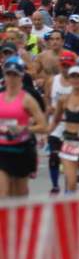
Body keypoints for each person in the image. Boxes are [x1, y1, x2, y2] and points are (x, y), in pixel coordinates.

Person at [0, 58, 48, 196]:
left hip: (21, 150)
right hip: (2, 150)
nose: (11, 78)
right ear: (4, 75)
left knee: (19, 195)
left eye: (15, 74)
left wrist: (25, 129)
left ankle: (20, 216)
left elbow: (43, 125)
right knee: (3, 193)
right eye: (9, 74)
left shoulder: (27, 99)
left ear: (21, 76)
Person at [49, 64, 79, 193]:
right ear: (69, 79)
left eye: (78, 76)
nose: (75, 79)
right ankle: (70, 210)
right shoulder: (64, 99)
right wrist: (47, 133)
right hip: (68, 141)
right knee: (71, 182)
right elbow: (56, 119)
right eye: (72, 76)